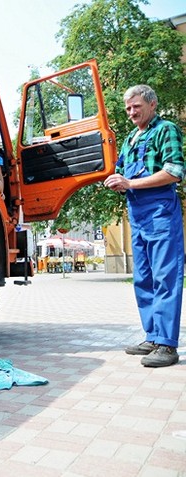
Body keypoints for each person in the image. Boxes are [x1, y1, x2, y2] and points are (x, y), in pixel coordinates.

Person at [104, 84, 184, 368]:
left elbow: (174, 171)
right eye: (128, 108)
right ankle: (152, 336)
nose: (131, 112)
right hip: (137, 214)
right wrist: (116, 179)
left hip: (161, 211)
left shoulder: (166, 130)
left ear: (152, 104)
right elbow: (122, 169)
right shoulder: (130, 138)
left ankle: (167, 344)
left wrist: (130, 183)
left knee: (165, 277)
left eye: (136, 106)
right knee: (144, 279)